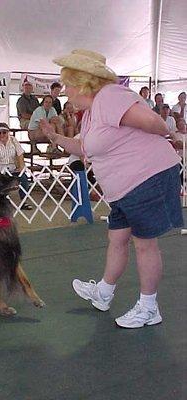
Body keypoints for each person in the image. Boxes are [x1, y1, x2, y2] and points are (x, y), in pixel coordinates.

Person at [40, 49, 183, 329]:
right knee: (117, 239)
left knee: (144, 245)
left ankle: (149, 307)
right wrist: (54, 136)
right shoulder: (93, 113)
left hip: (147, 179)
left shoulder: (110, 97)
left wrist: (172, 135)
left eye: (68, 84)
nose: (65, 91)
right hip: (123, 189)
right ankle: (103, 293)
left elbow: (152, 121)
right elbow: (84, 148)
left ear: (82, 83)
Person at [0, 122, 32, 210]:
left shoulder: (13, 140)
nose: (2, 134)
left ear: (8, 132)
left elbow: (20, 154)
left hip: (13, 169)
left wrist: (21, 168)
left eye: (4, 132)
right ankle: (1, 202)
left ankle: (23, 201)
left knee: (24, 179)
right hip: (0, 170)